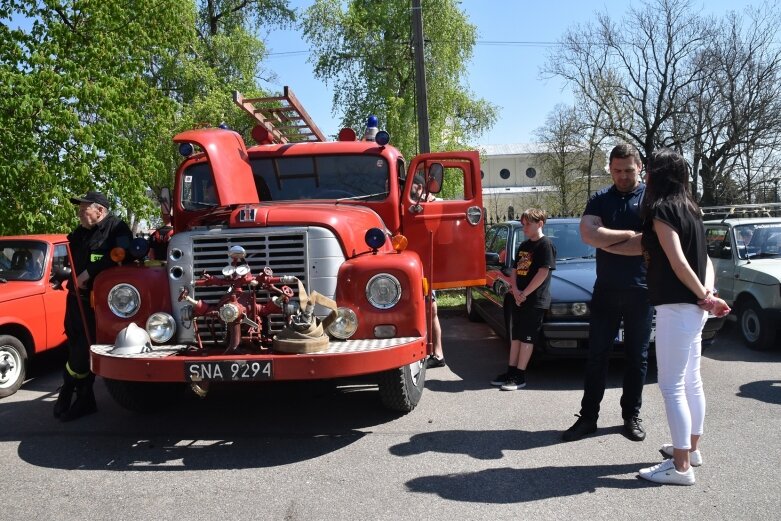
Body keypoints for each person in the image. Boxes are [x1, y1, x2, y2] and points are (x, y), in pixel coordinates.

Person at [635, 148, 730, 485]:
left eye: (648, 169)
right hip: (694, 309)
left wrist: (705, 296)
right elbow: (706, 262)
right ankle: (691, 450)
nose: (644, 174)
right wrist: (708, 294)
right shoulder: (692, 209)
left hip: (677, 307)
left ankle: (680, 468)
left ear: (657, 174)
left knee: (672, 385)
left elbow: (678, 262)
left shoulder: (662, 210)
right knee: (691, 381)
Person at [562, 143, 653, 442]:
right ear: (610, 169)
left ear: (639, 167)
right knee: (596, 356)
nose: (623, 176)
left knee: (637, 358)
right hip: (606, 290)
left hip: (641, 291)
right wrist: (630, 236)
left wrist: (608, 240)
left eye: (628, 170)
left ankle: (631, 416)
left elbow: (650, 243)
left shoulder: (651, 199)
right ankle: (588, 418)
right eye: (617, 171)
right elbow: (588, 235)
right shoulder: (600, 198)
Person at [53, 191, 132, 421]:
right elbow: (72, 261)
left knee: (84, 350)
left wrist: (90, 273)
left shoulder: (117, 229)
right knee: (76, 344)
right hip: (76, 299)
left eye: (83, 208)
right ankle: (82, 396)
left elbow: (123, 256)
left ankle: (70, 391)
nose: (79, 213)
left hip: (103, 304)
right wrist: (62, 274)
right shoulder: (80, 233)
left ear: (99, 210)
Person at [491, 208, 556, 390]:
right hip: (519, 297)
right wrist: (516, 289)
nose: (524, 227)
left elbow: (542, 273)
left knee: (527, 338)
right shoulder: (524, 246)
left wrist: (525, 293)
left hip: (535, 300)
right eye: (523, 223)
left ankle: (520, 376)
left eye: (528, 224)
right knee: (516, 337)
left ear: (540, 224)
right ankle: (511, 371)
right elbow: (514, 271)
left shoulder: (545, 245)